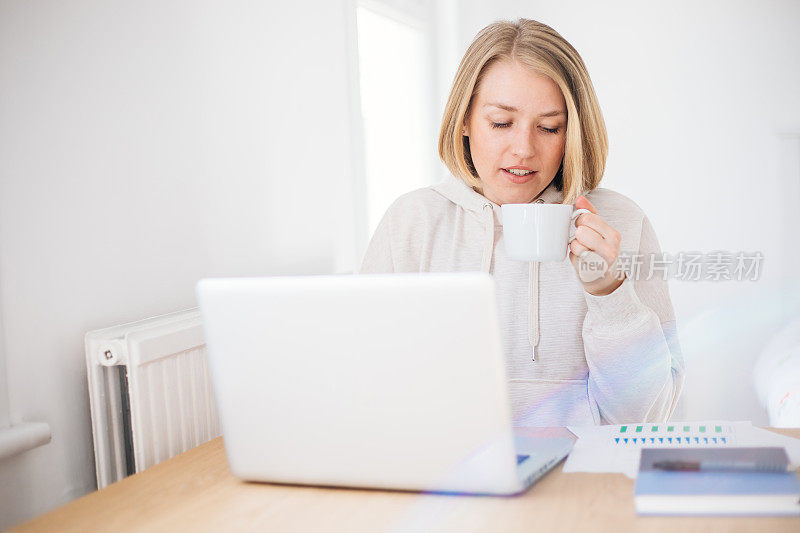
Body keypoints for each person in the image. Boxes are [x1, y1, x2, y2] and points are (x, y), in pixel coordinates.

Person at [360, 18, 684, 426]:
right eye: (501, 123)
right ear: (464, 120)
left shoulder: (620, 223)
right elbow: (366, 387)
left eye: (549, 127)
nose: (524, 149)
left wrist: (610, 294)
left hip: (581, 481)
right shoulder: (413, 223)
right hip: (447, 477)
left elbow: (647, 420)